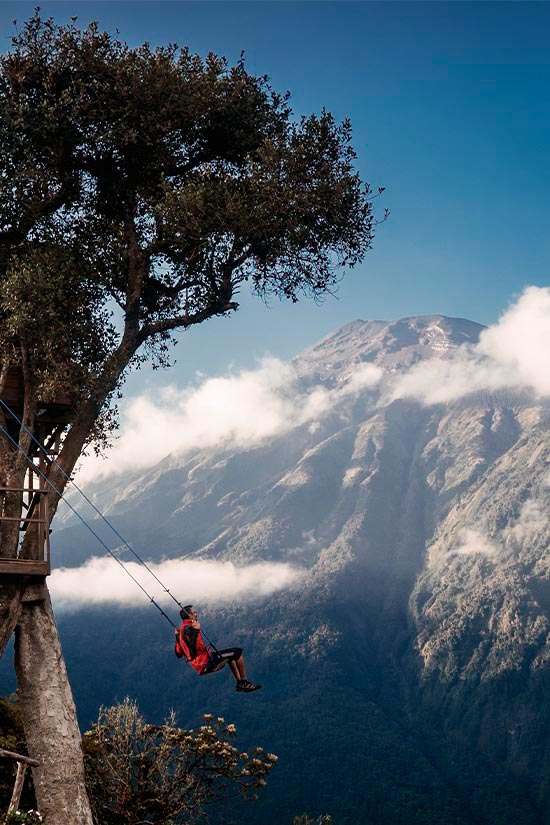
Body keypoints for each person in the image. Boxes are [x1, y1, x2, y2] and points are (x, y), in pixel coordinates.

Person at [175, 605, 262, 693]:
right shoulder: (190, 628)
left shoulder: (181, 631)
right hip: (206, 662)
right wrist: (196, 630)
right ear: (189, 615)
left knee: (230, 657)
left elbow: (178, 654)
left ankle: (240, 683)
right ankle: (243, 682)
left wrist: (177, 637)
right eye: (194, 613)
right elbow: (192, 649)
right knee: (238, 653)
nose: (196, 614)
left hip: (200, 664)